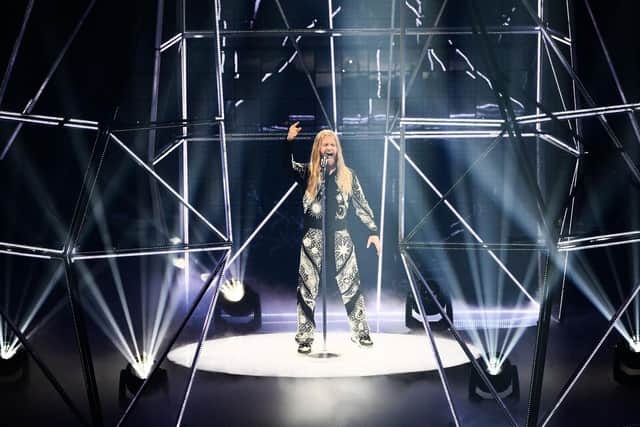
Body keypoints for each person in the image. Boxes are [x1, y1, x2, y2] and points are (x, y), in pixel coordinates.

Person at [284, 122, 381, 354]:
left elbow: (361, 205)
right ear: (318, 148)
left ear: (337, 149)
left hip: (340, 236)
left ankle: (360, 332)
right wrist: (288, 141)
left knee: (351, 284)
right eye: (325, 144)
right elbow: (285, 167)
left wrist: (373, 232)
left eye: (332, 144)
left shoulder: (348, 175)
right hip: (313, 236)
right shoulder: (308, 173)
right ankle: (305, 336)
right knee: (307, 287)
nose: (329, 147)